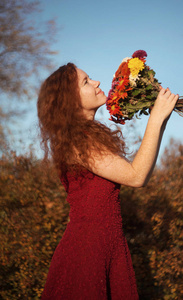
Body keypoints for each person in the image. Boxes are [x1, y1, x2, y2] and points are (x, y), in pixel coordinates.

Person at [37, 63, 178, 300]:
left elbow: (138, 172)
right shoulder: (78, 142)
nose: (97, 83)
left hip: (106, 242)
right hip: (89, 248)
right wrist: (155, 118)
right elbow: (136, 176)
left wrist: (161, 116)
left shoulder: (86, 136)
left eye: (90, 78)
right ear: (70, 101)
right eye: (86, 82)